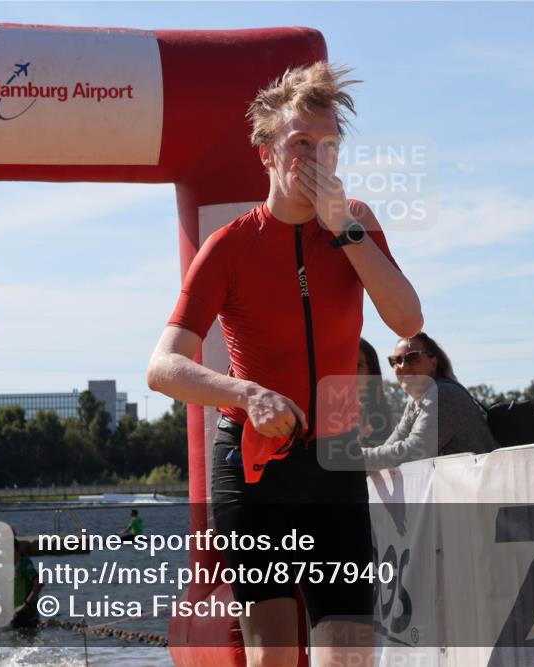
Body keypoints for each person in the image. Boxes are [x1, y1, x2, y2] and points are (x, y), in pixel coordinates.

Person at [147, 61, 422, 667]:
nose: (318, 158)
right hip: (253, 468)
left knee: (350, 657)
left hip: (335, 459)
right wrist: (247, 394)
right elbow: (163, 368)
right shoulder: (232, 245)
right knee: (274, 655)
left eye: (330, 146)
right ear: (267, 154)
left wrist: (344, 230)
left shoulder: (357, 225)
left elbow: (407, 321)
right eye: (302, 144)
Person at [362, 332, 497, 470]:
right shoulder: (415, 404)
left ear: (433, 363)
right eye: (395, 361)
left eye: (412, 357)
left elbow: (415, 451)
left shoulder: (444, 394)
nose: (402, 366)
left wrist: (354, 458)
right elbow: (389, 449)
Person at [357, 337, 394, 447]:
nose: (349, 372)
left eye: (358, 365)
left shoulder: (379, 417)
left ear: (371, 373)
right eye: (343, 363)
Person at [11, 536, 43, 631]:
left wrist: (26, 604)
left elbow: (39, 582)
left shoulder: (25, 563)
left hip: (27, 613)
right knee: (13, 643)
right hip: (15, 612)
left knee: (26, 642)